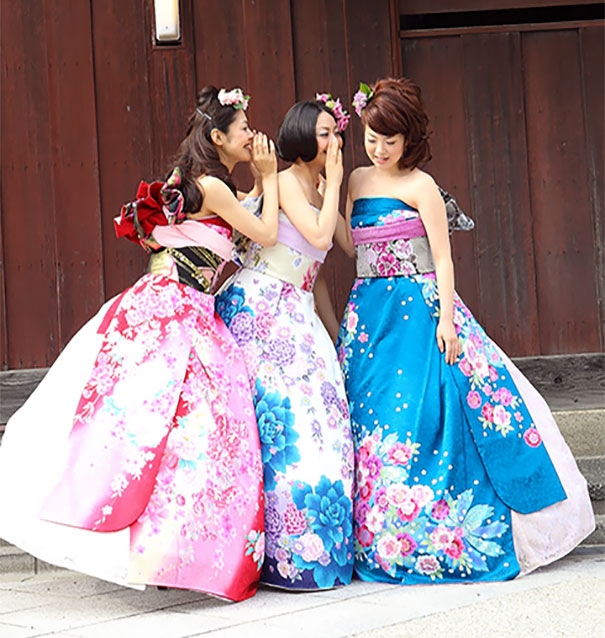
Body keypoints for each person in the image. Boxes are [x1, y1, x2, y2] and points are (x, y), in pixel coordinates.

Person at [0, 86, 279, 602]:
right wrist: (271, 176)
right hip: (177, 309)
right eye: (243, 128)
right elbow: (263, 232)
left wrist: (261, 182)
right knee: (178, 427)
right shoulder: (211, 186)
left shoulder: (199, 185)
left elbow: (241, 216)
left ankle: (173, 552)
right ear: (219, 138)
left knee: (185, 433)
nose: (251, 134)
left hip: (182, 308)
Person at [333, 77, 594, 585]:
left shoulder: (421, 186)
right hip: (368, 315)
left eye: (390, 141)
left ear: (409, 139)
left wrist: (447, 321)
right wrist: (329, 185)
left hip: (418, 308)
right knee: (373, 419)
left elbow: (444, 257)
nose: (379, 149)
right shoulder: (358, 180)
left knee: (427, 414)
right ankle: (379, 533)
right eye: (371, 138)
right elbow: (349, 245)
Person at [215, 95, 355, 591]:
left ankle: (318, 552)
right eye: (324, 134)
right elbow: (317, 236)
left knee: (323, 419)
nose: (333, 141)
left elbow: (335, 254)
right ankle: (281, 554)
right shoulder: (290, 180)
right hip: (265, 306)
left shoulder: (316, 185)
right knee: (288, 426)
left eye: (335, 132)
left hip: (296, 307)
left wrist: (334, 331)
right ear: (301, 137)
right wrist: (333, 183)